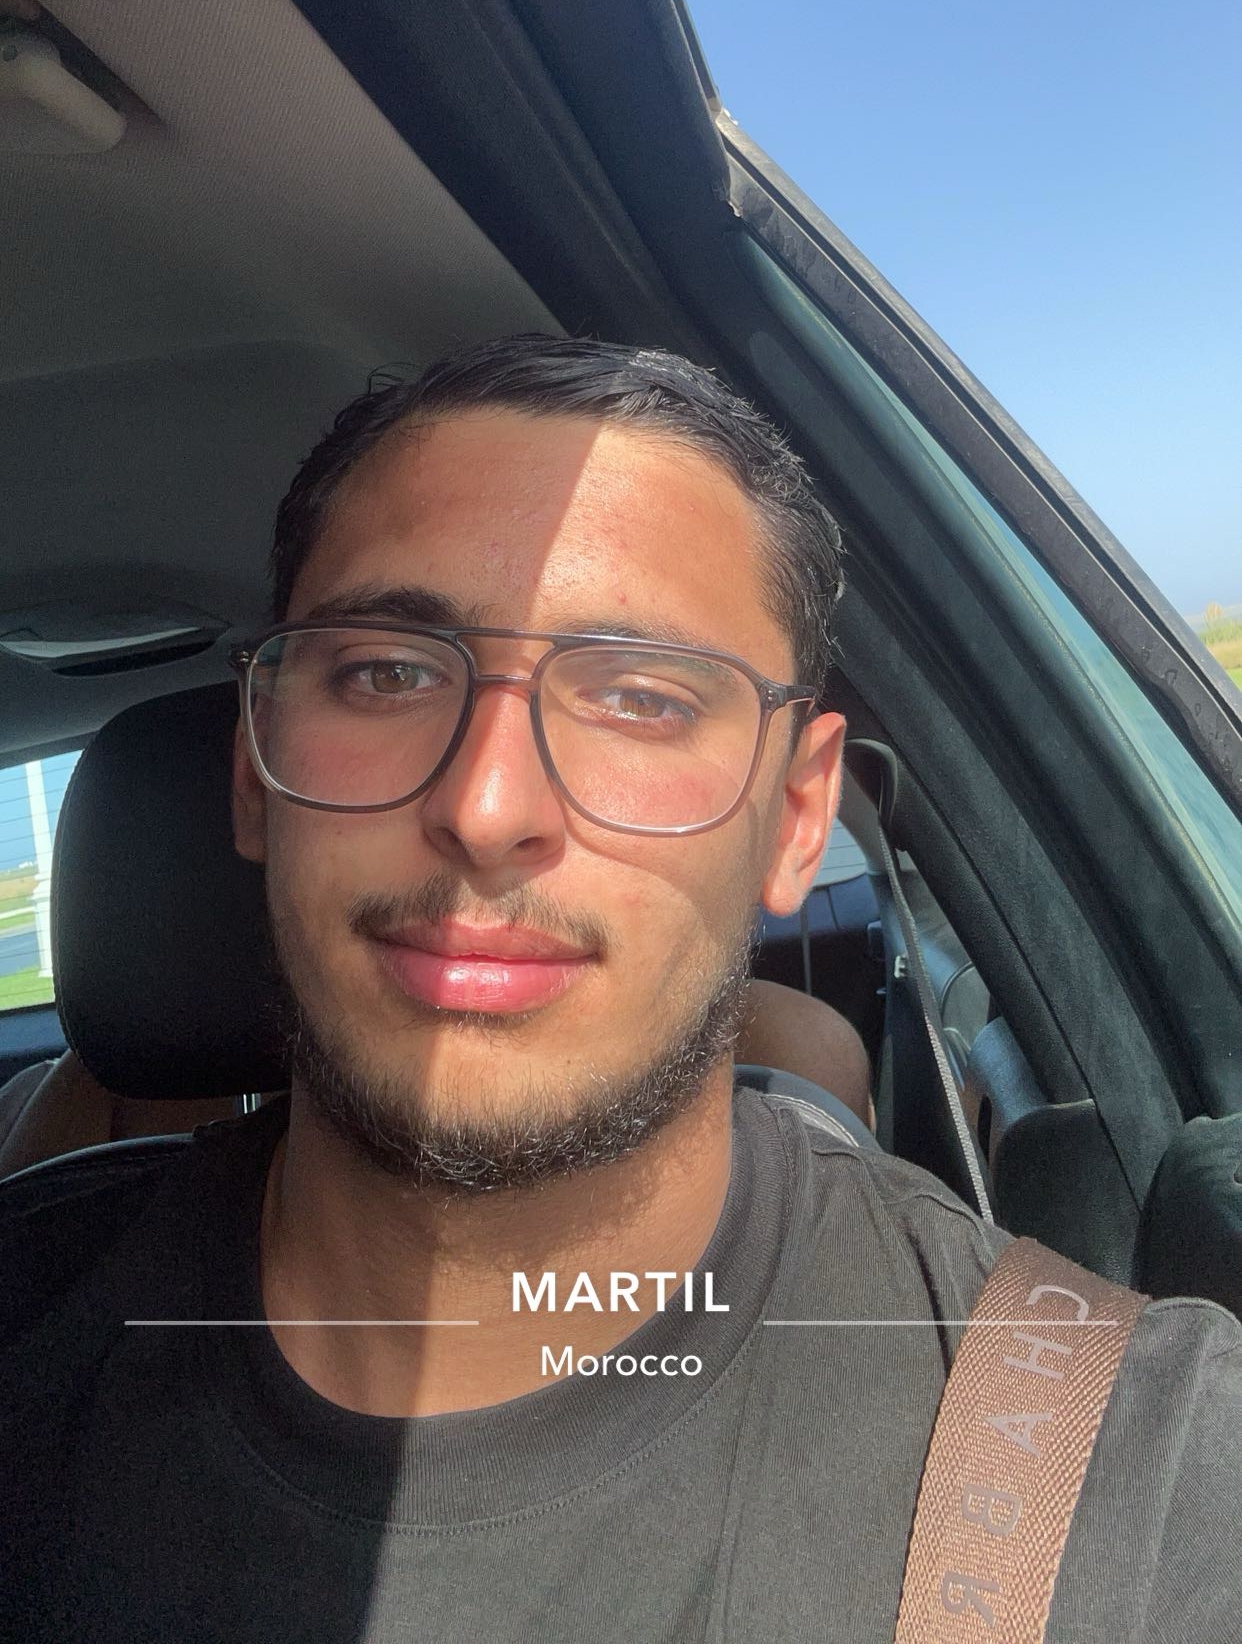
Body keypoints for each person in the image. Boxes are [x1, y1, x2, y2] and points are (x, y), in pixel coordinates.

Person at [1, 334, 1237, 1642]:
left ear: (795, 816)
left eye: (642, 697)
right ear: (255, 773)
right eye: (387, 673)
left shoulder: (1142, 1478)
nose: (486, 807)